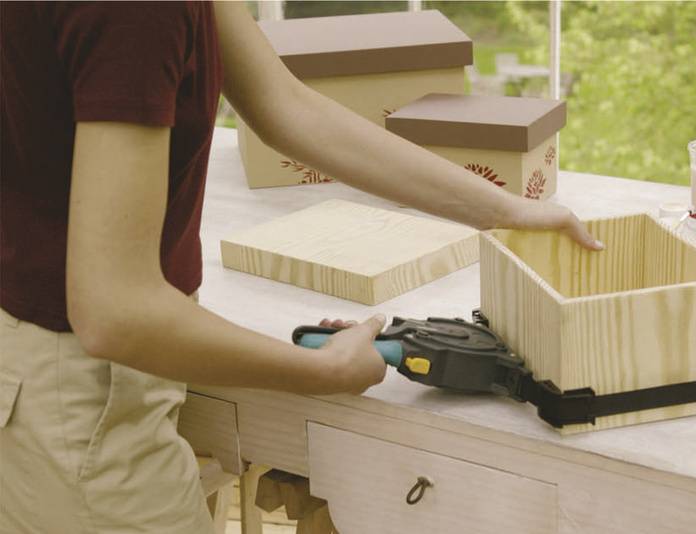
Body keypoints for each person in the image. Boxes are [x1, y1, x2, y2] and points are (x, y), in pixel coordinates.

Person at [0, 3, 602, 533]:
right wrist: (318, 373)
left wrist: (503, 210)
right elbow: (115, 312)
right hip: (79, 394)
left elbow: (284, 106)